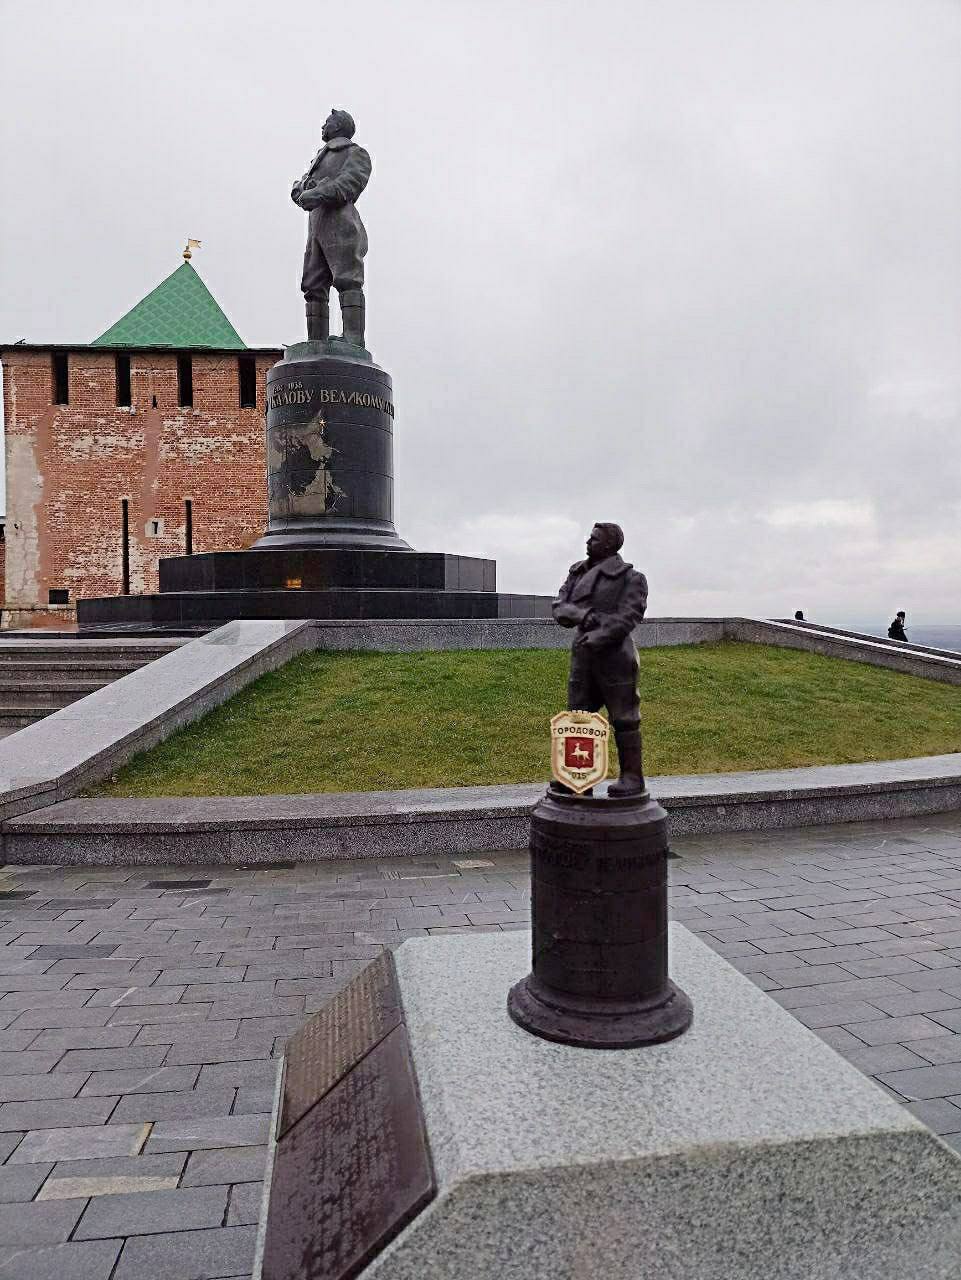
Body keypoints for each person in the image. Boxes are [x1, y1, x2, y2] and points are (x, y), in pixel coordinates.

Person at [552, 523, 648, 795]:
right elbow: (560, 607)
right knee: (579, 716)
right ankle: (578, 777)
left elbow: (629, 616)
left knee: (625, 718)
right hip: (583, 657)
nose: (588, 542)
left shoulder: (632, 578)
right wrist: (583, 615)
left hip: (616, 658)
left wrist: (600, 635)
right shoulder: (577, 572)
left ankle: (632, 777)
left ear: (608, 545)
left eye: (593, 539)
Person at [292, 109, 371, 346]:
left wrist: (317, 193)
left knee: (348, 279)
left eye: (327, 122)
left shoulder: (354, 153)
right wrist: (302, 190)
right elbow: (299, 188)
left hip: (341, 225)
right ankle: (315, 342)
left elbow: (350, 184)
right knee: (313, 286)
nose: (322, 126)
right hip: (316, 228)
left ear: (338, 126)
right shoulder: (319, 158)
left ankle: (353, 339)